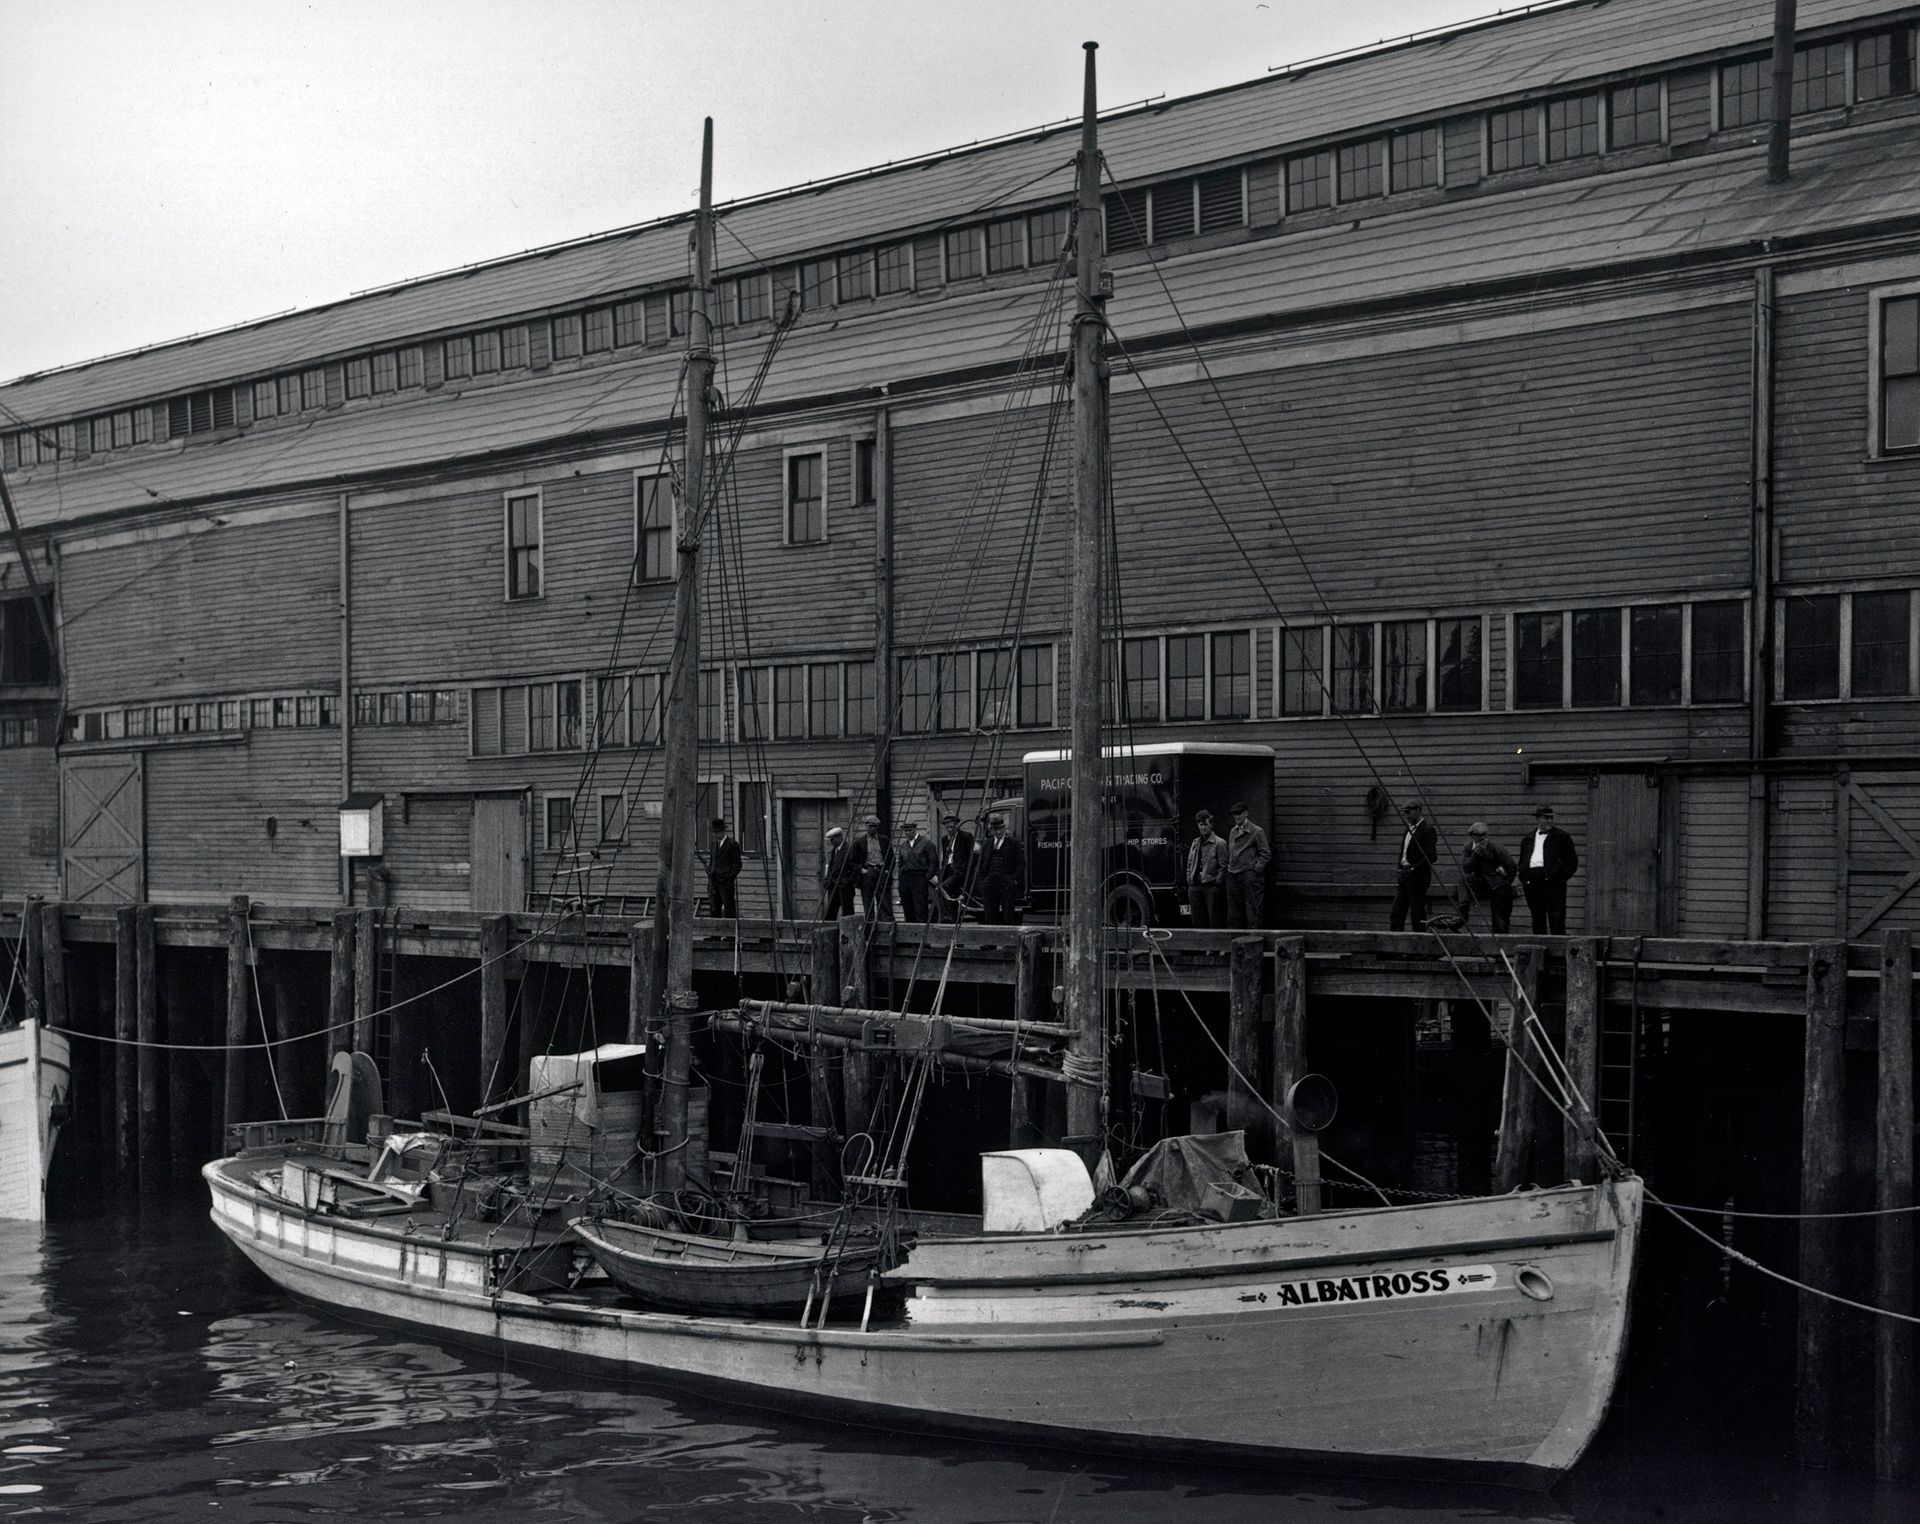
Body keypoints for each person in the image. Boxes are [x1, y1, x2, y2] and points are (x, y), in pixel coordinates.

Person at [1516, 804, 1579, 934]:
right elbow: (1522, 860)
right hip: (1532, 880)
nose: (1549, 821)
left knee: (1556, 916)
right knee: (1537, 915)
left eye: (1551, 818)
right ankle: (1540, 947)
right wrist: (1524, 875)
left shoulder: (1562, 837)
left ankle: (1558, 949)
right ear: (1538, 819)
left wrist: (1560, 877)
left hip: (1553, 880)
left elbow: (1572, 862)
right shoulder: (1528, 838)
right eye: (1546, 818)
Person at [1389, 799, 1440, 932]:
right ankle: (1395, 948)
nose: (1406, 815)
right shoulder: (1408, 829)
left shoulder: (1427, 830)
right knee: (1397, 912)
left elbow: (1432, 857)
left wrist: (1413, 869)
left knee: (1417, 914)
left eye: (1409, 812)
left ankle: (1419, 947)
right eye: (1405, 812)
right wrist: (1400, 868)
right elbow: (1404, 852)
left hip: (1418, 878)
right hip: (1404, 875)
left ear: (1418, 810)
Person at [1459, 821, 1517, 934]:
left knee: (1499, 919)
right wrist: (1475, 855)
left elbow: (1512, 866)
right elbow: (1466, 868)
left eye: (1485, 834)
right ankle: (1462, 912)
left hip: (1497, 885)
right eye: (1480, 835)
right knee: (1464, 880)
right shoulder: (1468, 848)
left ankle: (1501, 937)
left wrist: (1506, 882)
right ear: (1472, 836)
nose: (1483, 838)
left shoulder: (1495, 847)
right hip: (1480, 883)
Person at [1223, 802, 1270, 928]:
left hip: (1249, 876)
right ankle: (1234, 943)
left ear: (1246, 813)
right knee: (1234, 912)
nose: (1237, 817)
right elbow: (1231, 852)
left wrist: (1254, 871)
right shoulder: (1233, 831)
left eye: (1239, 814)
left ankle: (1253, 943)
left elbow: (1265, 854)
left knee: (1253, 910)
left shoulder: (1256, 831)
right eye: (1234, 815)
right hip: (1233, 875)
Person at [974, 812, 1024, 925]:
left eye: (1000, 828)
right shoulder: (987, 844)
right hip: (990, 882)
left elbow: (1020, 863)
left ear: (1004, 828)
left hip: (1006, 881)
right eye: (995, 829)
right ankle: (990, 941)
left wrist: (1013, 879)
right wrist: (982, 882)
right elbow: (980, 865)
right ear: (991, 830)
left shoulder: (1013, 843)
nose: (998, 832)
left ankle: (1007, 942)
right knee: (990, 913)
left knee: (1008, 913)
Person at [1185, 809, 1228, 929]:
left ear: (1211, 824)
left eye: (1205, 824)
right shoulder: (1195, 843)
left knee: (1214, 918)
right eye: (1200, 824)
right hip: (1195, 886)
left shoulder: (1219, 843)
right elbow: (1189, 863)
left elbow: (1224, 866)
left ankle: (1215, 947)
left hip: (1211, 886)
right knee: (1197, 918)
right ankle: (1202, 947)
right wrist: (1190, 879)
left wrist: (1217, 883)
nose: (1203, 827)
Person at [936, 812, 977, 922]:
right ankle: (952, 918)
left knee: (943, 888)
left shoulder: (966, 837)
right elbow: (945, 857)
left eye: (952, 827)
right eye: (947, 827)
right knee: (940, 888)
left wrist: (964, 870)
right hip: (948, 870)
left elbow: (972, 857)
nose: (949, 829)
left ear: (957, 825)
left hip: (960, 871)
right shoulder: (944, 839)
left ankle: (947, 918)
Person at [895, 819, 937, 923]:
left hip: (919, 876)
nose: (907, 832)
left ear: (915, 829)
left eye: (909, 830)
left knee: (920, 906)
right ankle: (910, 929)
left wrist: (927, 877)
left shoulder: (926, 843)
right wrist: (900, 877)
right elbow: (900, 863)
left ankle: (921, 929)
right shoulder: (903, 846)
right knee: (907, 905)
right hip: (905, 878)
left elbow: (933, 861)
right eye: (905, 831)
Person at [854, 814, 892, 923]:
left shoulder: (884, 840)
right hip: (867, 872)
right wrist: (861, 870)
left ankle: (885, 926)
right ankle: (870, 928)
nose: (872, 828)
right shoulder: (859, 842)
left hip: (881, 871)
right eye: (870, 826)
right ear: (866, 826)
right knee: (868, 901)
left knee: (884, 901)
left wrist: (887, 870)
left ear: (877, 827)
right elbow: (852, 861)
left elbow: (891, 857)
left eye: (874, 826)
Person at [707, 816, 741, 919]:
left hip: (726, 882)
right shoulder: (713, 844)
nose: (715, 834)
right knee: (714, 907)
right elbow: (712, 860)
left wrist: (729, 876)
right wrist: (709, 869)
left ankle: (730, 934)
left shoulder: (732, 845)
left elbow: (737, 865)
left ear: (722, 831)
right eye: (714, 832)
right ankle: (715, 935)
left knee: (728, 907)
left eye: (717, 832)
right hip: (714, 881)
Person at [820, 825, 856, 920]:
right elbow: (831, 868)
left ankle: (849, 933)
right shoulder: (834, 850)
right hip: (833, 886)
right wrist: (827, 881)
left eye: (832, 840)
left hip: (845, 887)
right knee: (830, 912)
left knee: (847, 913)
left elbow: (854, 869)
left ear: (840, 838)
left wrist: (847, 882)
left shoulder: (849, 850)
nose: (831, 842)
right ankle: (829, 932)